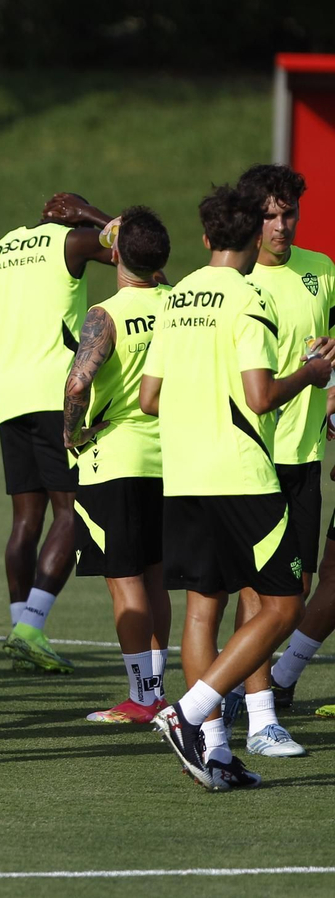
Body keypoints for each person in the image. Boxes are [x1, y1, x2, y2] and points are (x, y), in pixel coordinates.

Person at [143, 184, 329, 791]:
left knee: (204, 607)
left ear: (204, 238)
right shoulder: (248, 298)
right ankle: (190, 713)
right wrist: (313, 372)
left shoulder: (176, 298)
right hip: (241, 475)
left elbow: (150, 398)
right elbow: (260, 395)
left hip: (184, 474)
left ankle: (216, 752)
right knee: (281, 604)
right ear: (252, 239)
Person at [0, 193, 117, 674]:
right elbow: (139, 251)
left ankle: (22, 627)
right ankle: (31, 627)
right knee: (73, 511)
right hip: (57, 394)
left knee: (26, 520)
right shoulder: (72, 242)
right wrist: (94, 214)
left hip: (12, 400)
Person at [221, 163, 335, 756]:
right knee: (257, 594)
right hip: (252, 457)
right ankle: (262, 717)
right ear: (251, 220)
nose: (281, 225)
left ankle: (245, 685)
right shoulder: (237, 281)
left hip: (305, 455)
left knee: (295, 591)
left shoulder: (322, 271)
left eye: (289, 213)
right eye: (270, 215)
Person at [61, 206, 173, 725]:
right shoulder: (178, 303)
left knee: (124, 580)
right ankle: (157, 688)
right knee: (155, 576)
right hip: (170, 455)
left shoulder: (104, 313)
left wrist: (72, 434)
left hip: (117, 458)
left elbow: (78, 382)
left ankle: (142, 698)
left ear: (114, 254)